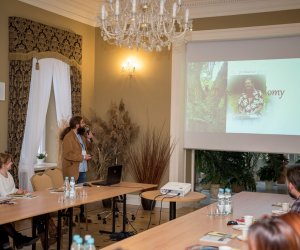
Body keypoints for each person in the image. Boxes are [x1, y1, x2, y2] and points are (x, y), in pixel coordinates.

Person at [0, 153, 39, 250]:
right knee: (2, 220)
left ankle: (14, 242)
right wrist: (17, 193)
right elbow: (4, 194)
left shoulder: (8, 174)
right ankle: (18, 239)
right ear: (3, 164)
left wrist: (19, 191)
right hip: (3, 204)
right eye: (9, 162)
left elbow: (12, 189)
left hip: (9, 203)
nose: (12, 163)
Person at [60, 116, 93, 223]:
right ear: (77, 124)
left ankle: (81, 215)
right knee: (71, 194)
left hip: (82, 168)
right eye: (82, 123)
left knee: (81, 193)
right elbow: (67, 154)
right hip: (73, 169)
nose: (84, 124)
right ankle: (67, 217)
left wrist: (89, 138)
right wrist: (83, 157)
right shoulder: (68, 137)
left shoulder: (80, 136)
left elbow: (85, 148)